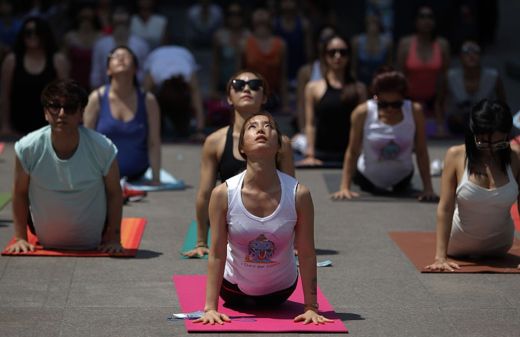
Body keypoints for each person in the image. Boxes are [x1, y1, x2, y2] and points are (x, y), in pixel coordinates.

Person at [194, 112, 333, 325]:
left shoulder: (299, 194)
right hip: (233, 292)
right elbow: (217, 253)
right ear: (241, 148)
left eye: (268, 126)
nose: (261, 129)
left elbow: (305, 253)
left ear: (279, 145)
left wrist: (311, 307)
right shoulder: (223, 193)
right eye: (252, 127)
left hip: (281, 292)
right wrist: (210, 308)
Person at [183, 70, 295, 258]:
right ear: (229, 98)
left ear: (264, 97)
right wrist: (201, 241)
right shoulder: (215, 141)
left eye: (254, 85)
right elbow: (204, 194)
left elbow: (292, 195)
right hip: (232, 224)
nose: (246, 89)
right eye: (238, 85)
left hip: (270, 222)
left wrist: (294, 242)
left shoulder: (281, 143)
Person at [5, 79, 123, 253]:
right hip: (45, 239)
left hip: (92, 240)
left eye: (70, 107)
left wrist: (114, 238)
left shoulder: (103, 147)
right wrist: (21, 238)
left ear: (81, 113)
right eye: (54, 106)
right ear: (46, 112)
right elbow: (19, 193)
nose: (61, 114)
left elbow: (115, 193)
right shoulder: (27, 148)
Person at [426, 100, 520, 271]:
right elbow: (445, 208)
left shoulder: (516, 157)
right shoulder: (455, 155)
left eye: (499, 143)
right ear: (473, 133)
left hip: (500, 245)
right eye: (483, 143)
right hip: (458, 243)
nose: (491, 150)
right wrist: (440, 257)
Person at [332, 69, 437, 201]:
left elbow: (421, 151)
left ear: (404, 99)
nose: (390, 109)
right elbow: (352, 151)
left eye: (396, 104)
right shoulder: (362, 113)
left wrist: (428, 188)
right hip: (367, 179)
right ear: (375, 98)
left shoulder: (415, 111)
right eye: (383, 104)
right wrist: (344, 187)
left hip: (402, 178)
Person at [84, 46, 161, 184]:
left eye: (126, 56)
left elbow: (154, 142)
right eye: (115, 56)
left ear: (135, 68)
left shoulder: (148, 100)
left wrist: (156, 178)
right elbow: (85, 142)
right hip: (102, 176)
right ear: (108, 70)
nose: (120, 58)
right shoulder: (96, 98)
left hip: (137, 176)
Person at [298, 34, 366, 166]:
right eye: (332, 52)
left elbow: (362, 126)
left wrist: (361, 153)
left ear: (349, 56)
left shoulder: (359, 89)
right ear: (324, 56)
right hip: (320, 154)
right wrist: (310, 153)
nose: (337, 56)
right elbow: (310, 124)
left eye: (343, 52)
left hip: (350, 155)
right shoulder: (313, 88)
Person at [0, 16, 69, 136]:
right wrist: (5, 125)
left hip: (49, 128)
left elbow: (65, 96)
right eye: (28, 32)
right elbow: (4, 96)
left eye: (37, 32)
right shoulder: (12, 61)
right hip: (17, 128)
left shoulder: (58, 60)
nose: (32, 36)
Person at [397, 5, 450, 137]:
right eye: (422, 17)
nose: (426, 21)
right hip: (410, 99)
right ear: (416, 21)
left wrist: (441, 104)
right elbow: (399, 76)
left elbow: (445, 76)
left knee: (441, 134)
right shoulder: (405, 43)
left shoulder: (442, 44)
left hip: (435, 101)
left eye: (430, 17)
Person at [143, 45, 205, 140]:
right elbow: (142, 101)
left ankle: (180, 122)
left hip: (182, 55)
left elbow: (197, 104)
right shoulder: (154, 74)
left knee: (182, 129)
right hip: (159, 55)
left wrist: (199, 131)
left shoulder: (188, 74)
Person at [444, 40, 506, 135]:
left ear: (480, 56)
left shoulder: (493, 76)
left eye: (475, 52)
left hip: (485, 124)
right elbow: (439, 102)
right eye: (466, 53)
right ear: (460, 57)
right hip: (457, 124)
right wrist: (440, 124)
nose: (471, 56)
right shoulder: (450, 76)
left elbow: (502, 103)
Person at [241, 7, 289, 113]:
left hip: (273, 98)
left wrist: (286, 105)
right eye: (257, 12)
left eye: (264, 12)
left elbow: (283, 77)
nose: (261, 15)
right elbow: (238, 75)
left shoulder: (281, 44)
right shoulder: (244, 44)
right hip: (250, 97)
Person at [90, 6, 149, 89]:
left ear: (129, 19)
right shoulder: (101, 44)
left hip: (135, 91)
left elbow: (144, 72)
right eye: (117, 14)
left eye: (123, 13)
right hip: (106, 91)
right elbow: (96, 74)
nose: (120, 17)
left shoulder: (141, 44)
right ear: (111, 20)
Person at [63, 3, 102, 91]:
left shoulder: (101, 37)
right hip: (73, 86)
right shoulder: (69, 37)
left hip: (97, 86)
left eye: (88, 18)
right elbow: (64, 63)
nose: (86, 20)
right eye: (83, 17)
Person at [351, 12, 392, 88]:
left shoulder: (387, 43)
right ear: (366, 24)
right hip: (361, 81)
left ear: (379, 24)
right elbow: (353, 66)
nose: (372, 25)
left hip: (380, 82)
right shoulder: (357, 42)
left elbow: (389, 65)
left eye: (375, 22)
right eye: (370, 22)